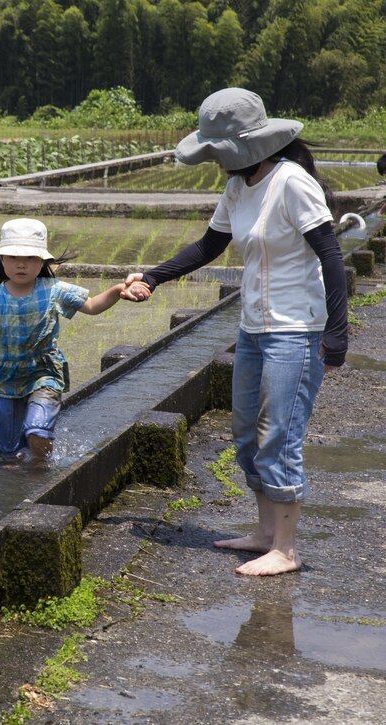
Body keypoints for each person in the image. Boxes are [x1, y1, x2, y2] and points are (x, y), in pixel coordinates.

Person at [122, 87, 348, 576]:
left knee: (279, 435)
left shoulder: (291, 183)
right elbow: (209, 246)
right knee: (246, 434)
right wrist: (153, 277)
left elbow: (330, 254)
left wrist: (337, 332)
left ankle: (286, 551)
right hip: (253, 327)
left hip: (296, 330)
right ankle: (265, 534)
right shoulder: (239, 186)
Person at [0, 218, 127, 464]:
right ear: (1, 260)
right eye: (13, 258)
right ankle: (20, 477)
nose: (21, 265)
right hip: (6, 376)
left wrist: (117, 290)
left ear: (43, 262)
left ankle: (43, 470)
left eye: (30, 258)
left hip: (43, 371)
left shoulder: (53, 289)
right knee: (7, 452)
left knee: (37, 430)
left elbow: (91, 306)